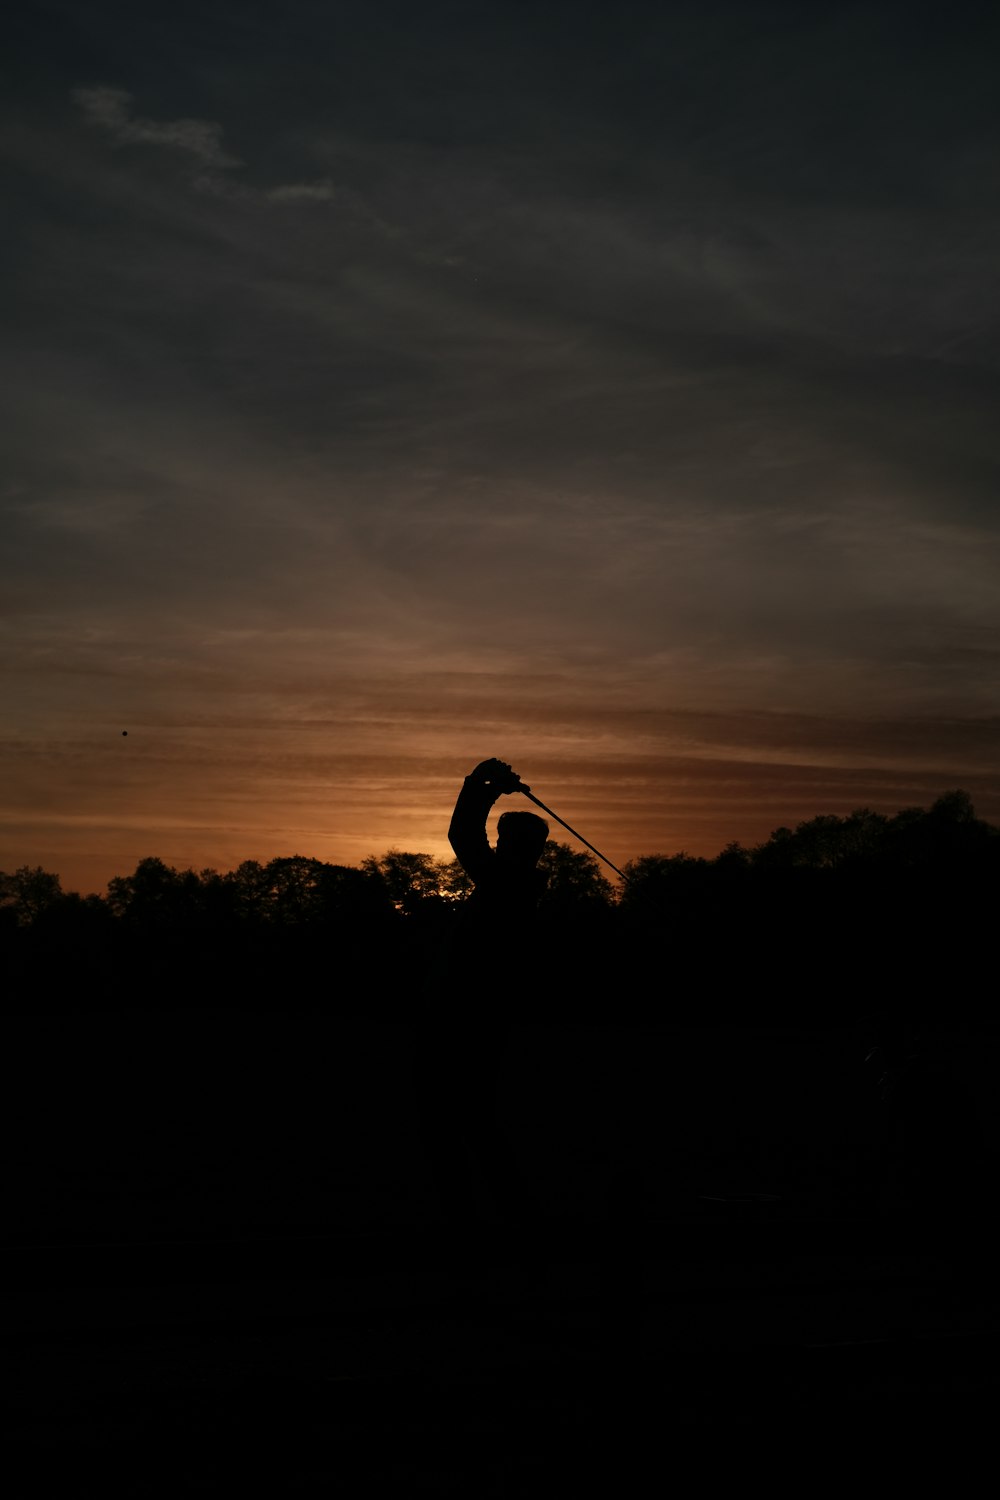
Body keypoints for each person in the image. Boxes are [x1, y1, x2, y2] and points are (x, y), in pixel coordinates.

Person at [414, 758, 549, 1231]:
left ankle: (478, 1223)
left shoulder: (504, 885)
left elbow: (462, 837)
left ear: (516, 849)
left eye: (503, 840)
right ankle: (509, 1218)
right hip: (481, 1017)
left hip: (464, 1018)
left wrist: (481, 785)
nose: (495, 845)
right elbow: (472, 839)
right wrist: (489, 788)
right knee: (471, 1121)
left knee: (452, 1122)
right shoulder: (516, 886)